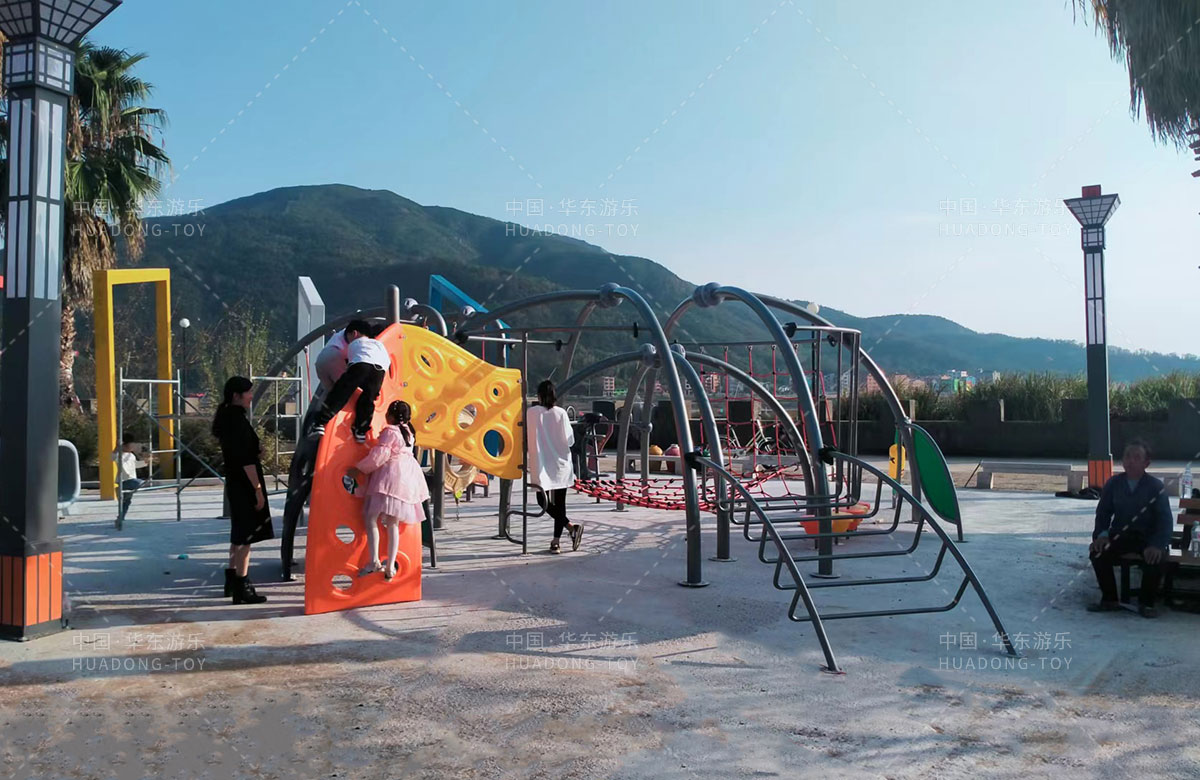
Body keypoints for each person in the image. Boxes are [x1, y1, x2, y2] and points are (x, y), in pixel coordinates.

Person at [1088, 440, 1173, 618]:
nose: (1131, 461)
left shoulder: (1155, 487)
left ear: (1146, 463)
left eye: (1136, 457)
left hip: (1146, 538)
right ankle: (1110, 599)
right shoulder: (1113, 483)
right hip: (1120, 536)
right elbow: (1103, 513)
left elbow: (1165, 521)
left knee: (1157, 558)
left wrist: (1157, 545)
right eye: (1127, 456)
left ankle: (1147, 603)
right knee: (1097, 552)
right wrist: (1102, 535)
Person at [347, 400, 430, 579]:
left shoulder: (390, 432)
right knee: (393, 523)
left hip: (389, 477)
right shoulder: (409, 431)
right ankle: (390, 566)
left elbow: (380, 455)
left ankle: (374, 561)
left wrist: (360, 469)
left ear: (390, 416)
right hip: (406, 478)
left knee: (370, 517)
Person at [212, 376, 274, 604]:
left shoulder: (228, 417)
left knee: (238, 534)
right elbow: (246, 460)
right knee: (245, 537)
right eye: (248, 392)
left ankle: (231, 579)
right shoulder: (237, 421)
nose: (251, 396)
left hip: (235, 481)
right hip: (245, 483)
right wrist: (257, 490)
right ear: (236, 395)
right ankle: (242, 585)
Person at [525, 380, 583, 554]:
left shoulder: (532, 413)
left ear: (539, 396)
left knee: (542, 501)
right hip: (560, 463)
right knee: (560, 503)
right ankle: (567, 531)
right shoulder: (561, 413)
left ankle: (560, 538)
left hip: (541, 463)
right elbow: (570, 440)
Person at [310, 320, 390, 443]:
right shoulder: (378, 344)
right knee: (369, 399)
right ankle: (361, 430)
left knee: (342, 392)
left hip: (361, 364)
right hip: (379, 370)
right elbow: (386, 360)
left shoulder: (355, 343)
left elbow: (353, 363)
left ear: (354, 333)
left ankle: (319, 423)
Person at [113, 434, 146, 528]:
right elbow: (112, 457)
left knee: (126, 502)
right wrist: (117, 447)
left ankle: (120, 518)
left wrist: (145, 462)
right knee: (139, 483)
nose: (133, 447)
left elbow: (135, 465)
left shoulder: (131, 455)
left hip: (132, 479)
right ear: (124, 445)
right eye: (130, 445)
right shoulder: (119, 455)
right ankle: (121, 489)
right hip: (124, 480)